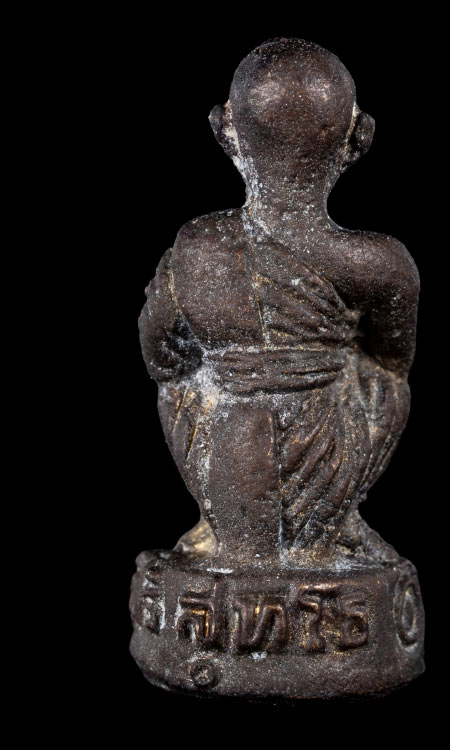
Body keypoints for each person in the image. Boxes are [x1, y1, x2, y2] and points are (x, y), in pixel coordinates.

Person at [139, 38, 419, 566]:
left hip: (224, 449)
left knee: (177, 386)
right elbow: (391, 362)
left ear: (225, 130)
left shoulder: (196, 247)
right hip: (328, 452)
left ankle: (218, 525)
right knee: (386, 385)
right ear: (359, 137)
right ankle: (335, 523)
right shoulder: (379, 263)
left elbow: (159, 356)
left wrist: (239, 363)